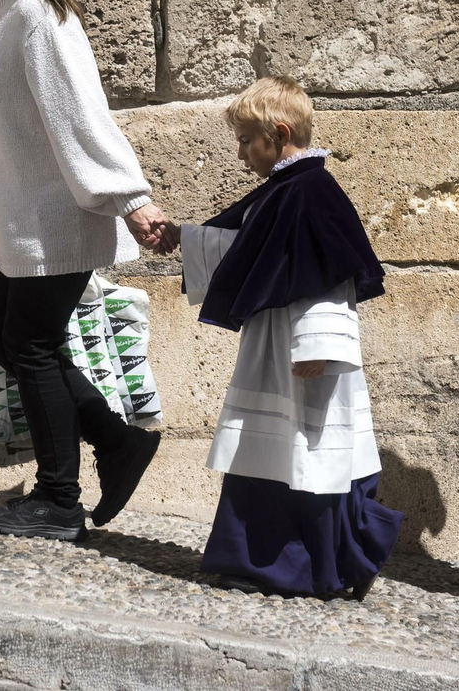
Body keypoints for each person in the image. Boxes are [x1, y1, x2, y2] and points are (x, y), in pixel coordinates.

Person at [0, 0, 170, 541]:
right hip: (31, 226)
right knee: (3, 334)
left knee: (28, 344)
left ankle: (58, 499)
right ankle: (115, 439)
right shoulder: (12, 12)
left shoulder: (41, 18)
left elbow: (82, 117)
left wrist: (131, 200)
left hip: (59, 221)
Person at [161, 78, 402, 599]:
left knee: (307, 452)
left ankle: (307, 567)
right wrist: (184, 236)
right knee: (269, 449)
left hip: (301, 349)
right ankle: (260, 561)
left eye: (248, 139)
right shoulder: (285, 189)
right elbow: (249, 248)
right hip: (274, 341)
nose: (242, 151)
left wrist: (320, 345)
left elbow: (332, 273)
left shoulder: (312, 190)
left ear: (280, 132)